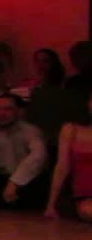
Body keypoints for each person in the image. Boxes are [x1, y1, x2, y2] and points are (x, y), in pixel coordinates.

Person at [44, 92, 92, 222]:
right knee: (88, 210)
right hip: (83, 196)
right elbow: (62, 167)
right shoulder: (71, 129)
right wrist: (51, 205)